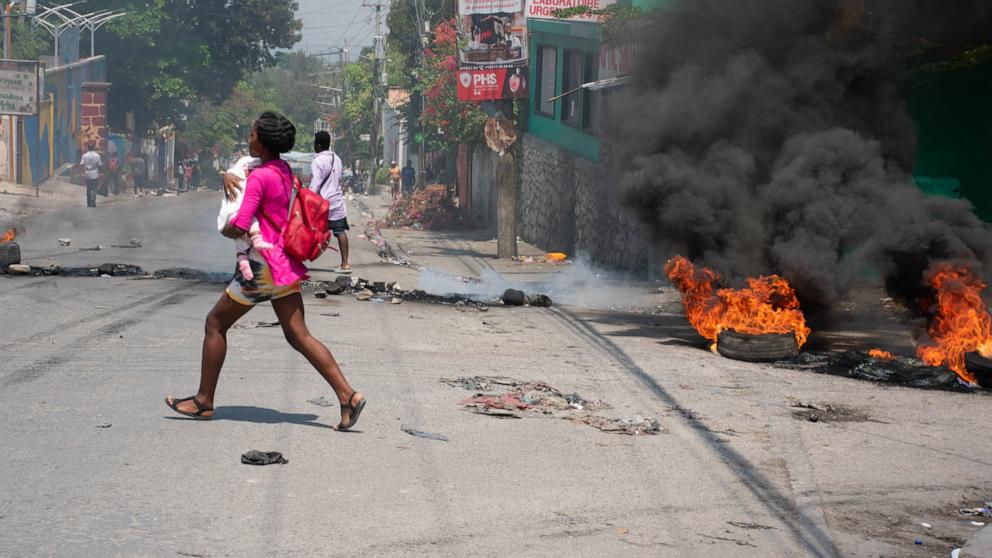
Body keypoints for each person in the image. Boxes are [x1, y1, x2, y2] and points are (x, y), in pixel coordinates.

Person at [165, 111, 366, 431]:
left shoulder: (260, 178)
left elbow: (242, 224)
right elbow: (244, 171)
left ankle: (204, 401)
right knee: (299, 335)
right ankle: (348, 396)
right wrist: (225, 176)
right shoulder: (283, 170)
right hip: (283, 264)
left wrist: (226, 227)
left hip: (260, 268)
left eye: (252, 134)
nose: (248, 139)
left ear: (265, 140)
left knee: (215, 324)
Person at [216, 155, 273, 282]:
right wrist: (227, 176)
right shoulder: (248, 163)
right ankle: (243, 274)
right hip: (247, 217)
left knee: (242, 245)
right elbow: (232, 175)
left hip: (257, 221)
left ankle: (243, 272)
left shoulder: (274, 169)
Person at [310, 131, 350, 274]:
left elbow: (316, 183)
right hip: (337, 201)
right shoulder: (337, 159)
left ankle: (298, 260)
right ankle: (345, 264)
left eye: (315, 143)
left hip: (322, 203)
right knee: (340, 232)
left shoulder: (317, 161)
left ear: (319, 145)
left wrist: (308, 197)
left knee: (308, 229)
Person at [78, 142, 101, 208]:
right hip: (95, 174)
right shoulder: (97, 155)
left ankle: (88, 202)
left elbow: (81, 164)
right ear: (93, 148)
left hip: (87, 174)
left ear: (88, 148)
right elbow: (100, 165)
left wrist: (79, 171)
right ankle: (93, 200)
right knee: (94, 188)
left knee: (88, 188)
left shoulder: (84, 155)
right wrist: (103, 172)